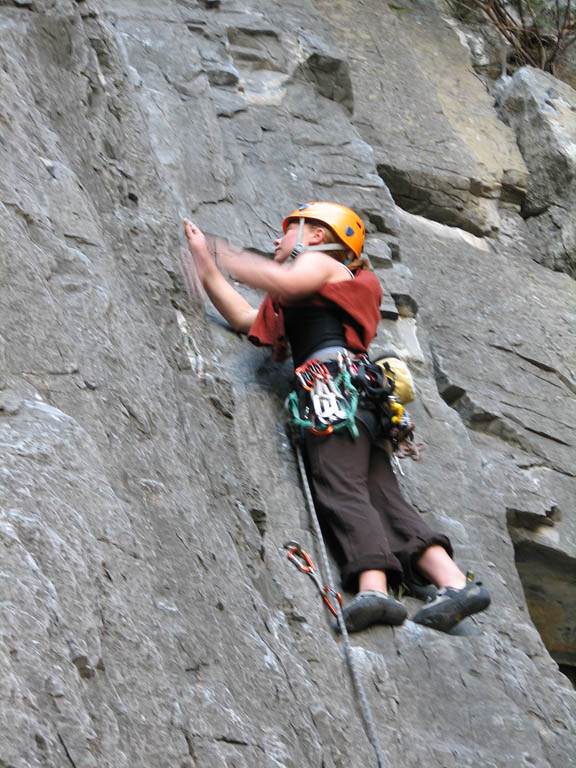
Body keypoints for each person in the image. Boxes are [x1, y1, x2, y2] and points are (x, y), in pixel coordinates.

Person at [182, 202, 490, 633]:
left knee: (340, 485)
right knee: (382, 494)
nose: (276, 240)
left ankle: (374, 588)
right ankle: (454, 583)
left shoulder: (320, 266)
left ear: (315, 236)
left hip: (331, 394)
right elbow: (244, 318)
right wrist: (205, 264)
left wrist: (225, 254)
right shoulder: (313, 289)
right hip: (361, 399)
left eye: (287, 232)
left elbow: (280, 281)